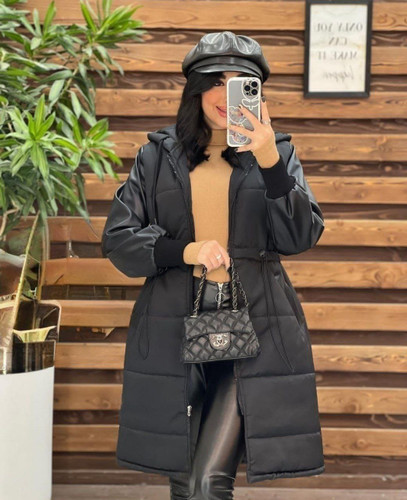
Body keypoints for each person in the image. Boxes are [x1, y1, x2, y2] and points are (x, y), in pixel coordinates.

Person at [102, 31, 325, 499]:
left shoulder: (277, 153)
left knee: (207, 483)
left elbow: (301, 236)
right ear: (196, 88)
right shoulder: (156, 156)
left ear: (256, 93)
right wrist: (186, 251)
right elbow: (119, 238)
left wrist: (269, 159)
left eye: (240, 84)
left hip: (255, 328)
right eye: (216, 82)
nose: (227, 96)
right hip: (173, 328)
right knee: (184, 484)